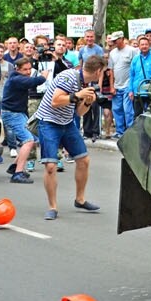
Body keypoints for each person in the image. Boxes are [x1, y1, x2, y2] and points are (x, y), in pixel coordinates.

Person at [34, 55, 105, 221]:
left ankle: (80, 199)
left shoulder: (86, 84)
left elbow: (79, 113)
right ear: (98, 71)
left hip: (67, 123)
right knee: (51, 165)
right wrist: (77, 95)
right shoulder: (68, 76)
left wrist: (87, 102)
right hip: (49, 122)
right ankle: (52, 207)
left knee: (84, 160)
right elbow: (55, 101)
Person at [0, 56, 44, 183]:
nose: (28, 72)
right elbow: (32, 82)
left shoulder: (19, 77)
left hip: (19, 113)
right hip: (12, 114)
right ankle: (17, 174)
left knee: (33, 140)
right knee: (28, 141)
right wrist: (43, 76)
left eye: (30, 69)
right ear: (17, 69)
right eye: (25, 70)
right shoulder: (16, 79)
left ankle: (14, 167)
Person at [107, 32, 138, 139]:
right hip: (117, 85)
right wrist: (112, 86)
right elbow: (111, 70)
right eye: (113, 40)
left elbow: (135, 68)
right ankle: (120, 131)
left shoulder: (132, 51)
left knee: (128, 110)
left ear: (122, 39)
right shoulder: (112, 53)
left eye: (116, 40)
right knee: (116, 109)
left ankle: (129, 131)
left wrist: (132, 87)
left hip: (127, 85)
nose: (114, 42)